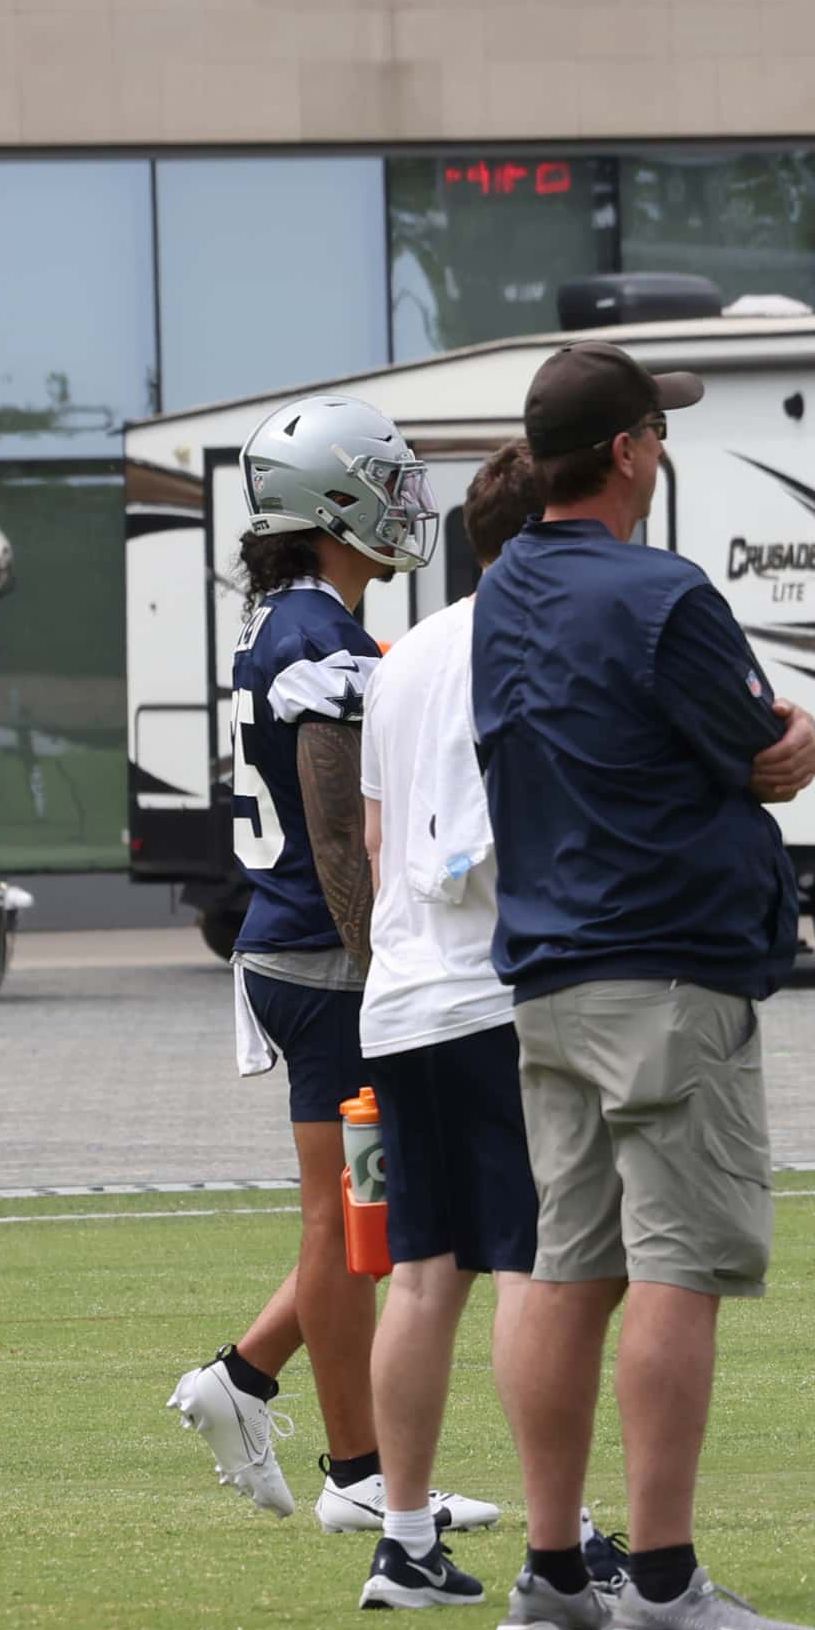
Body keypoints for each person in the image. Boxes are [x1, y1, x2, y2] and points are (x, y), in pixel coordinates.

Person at [478, 340, 815, 1630]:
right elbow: (760, 747)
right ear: (625, 450)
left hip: (548, 974)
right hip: (667, 966)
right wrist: (785, 744)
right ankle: (665, 1583)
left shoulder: (504, 586)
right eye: (656, 435)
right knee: (679, 1263)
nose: (664, 452)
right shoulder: (661, 591)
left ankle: (555, 1571)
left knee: (567, 1269)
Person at [165, 395, 504, 1537]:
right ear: (334, 503)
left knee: (371, 1209)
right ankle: (359, 1469)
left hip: (306, 952)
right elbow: (333, 828)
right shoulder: (315, 642)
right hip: (323, 959)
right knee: (351, 1218)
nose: (407, 505)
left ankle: (246, 1379)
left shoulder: (307, 628)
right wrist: (380, 967)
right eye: (387, 483)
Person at [347, 443, 620, 1610]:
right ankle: (565, 1532)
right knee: (535, 1267)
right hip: (498, 989)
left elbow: (371, 842)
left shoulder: (400, 657)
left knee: (420, 1275)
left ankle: (402, 1539)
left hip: (401, 997)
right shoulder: (532, 636)